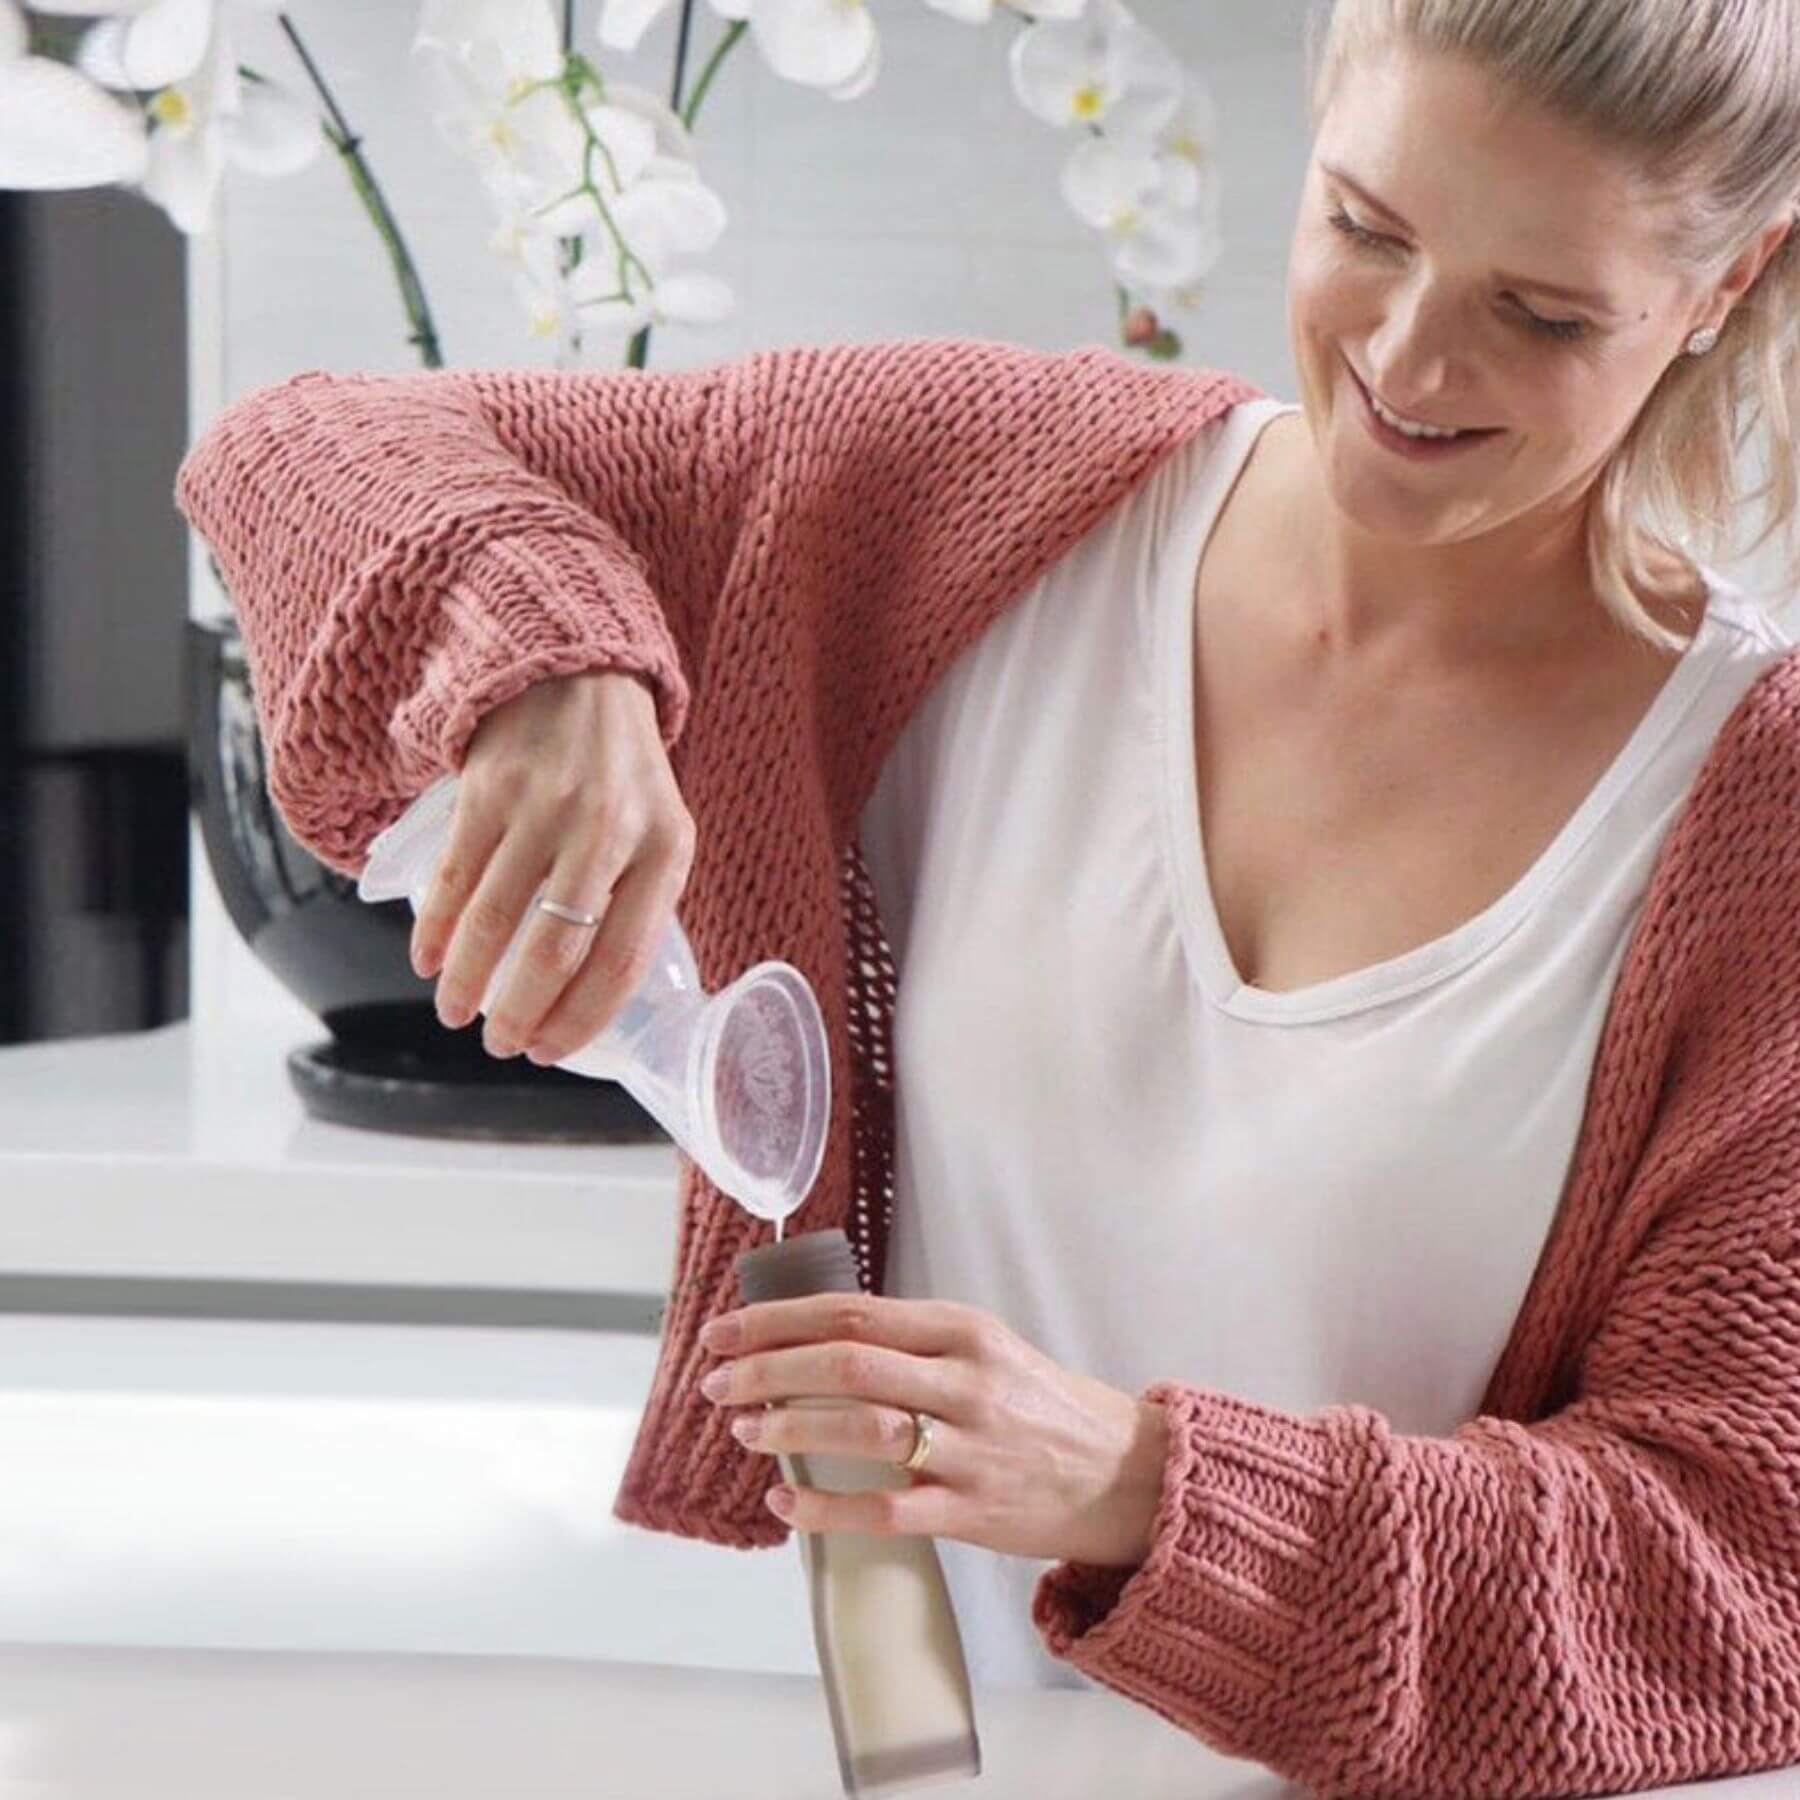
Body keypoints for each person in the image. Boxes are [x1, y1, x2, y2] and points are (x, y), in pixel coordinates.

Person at [173, 1, 1800, 1792]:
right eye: (1364, 228)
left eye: (1539, 311)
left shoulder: (1754, 817)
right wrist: (551, 666)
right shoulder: (970, 500)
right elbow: (304, 446)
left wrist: (1138, 1485)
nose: (1411, 357)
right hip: (900, 1758)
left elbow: (1728, 1573)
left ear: (1726, 288)